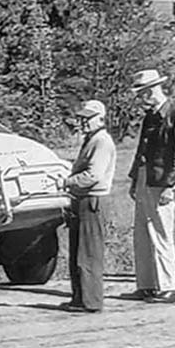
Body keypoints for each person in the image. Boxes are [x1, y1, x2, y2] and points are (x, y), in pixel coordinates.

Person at [126, 68, 175, 305]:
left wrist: (170, 184)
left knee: (162, 233)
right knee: (141, 232)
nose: (142, 98)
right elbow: (141, 149)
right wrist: (134, 178)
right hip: (145, 177)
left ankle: (168, 286)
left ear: (152, 90)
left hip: (161, 181)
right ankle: (147, 284)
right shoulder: (150, 116)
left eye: (143, 93)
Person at [61, 99, 116, 313]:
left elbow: (94, 175)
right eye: (82, 118)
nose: (83, 122)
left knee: (89, 253)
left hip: (93, 200)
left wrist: (67, 182)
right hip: (83, 200)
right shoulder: (92, 140)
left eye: (87, 118)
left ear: (100, 118)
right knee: (78, 252)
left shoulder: (102, 141)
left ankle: (91, 301)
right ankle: (80, 298)